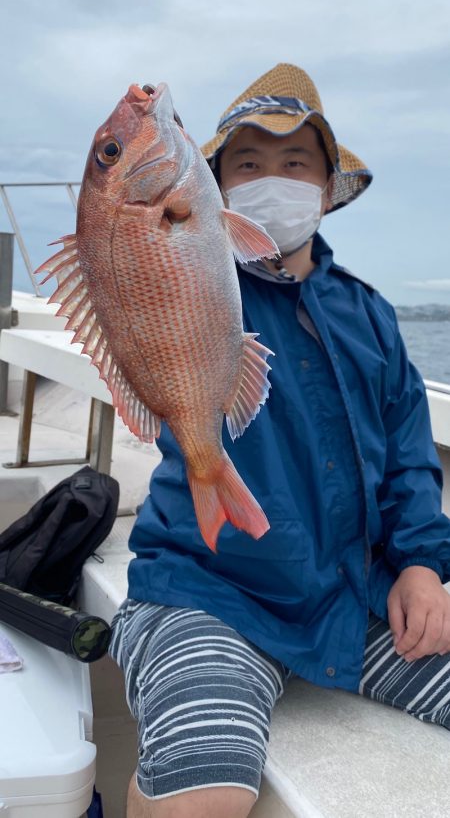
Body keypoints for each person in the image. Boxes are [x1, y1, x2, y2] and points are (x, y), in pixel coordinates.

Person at [109, 63, 450, 818]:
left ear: (327, 190)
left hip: (352, 598)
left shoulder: (369, 315)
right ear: (213, 187)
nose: (274, 177)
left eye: (296, 162)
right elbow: (132, 283)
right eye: (249, 162)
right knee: (206, 792)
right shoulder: (194, 275)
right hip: (209, 593)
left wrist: (422, 567)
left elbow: (407, 461)